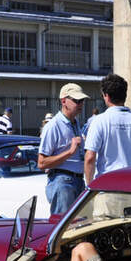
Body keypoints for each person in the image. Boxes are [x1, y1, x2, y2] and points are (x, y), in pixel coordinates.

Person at [84, 73, 131, 185]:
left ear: (106, 96)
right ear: (125, 95)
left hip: (107, 185)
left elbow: (90, 158)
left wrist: (89, 185)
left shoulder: (99, 121)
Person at [38, 83, 90, 215]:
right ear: (63, 101)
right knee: (64, 228)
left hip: (76, 181)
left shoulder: (75, 123)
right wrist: (69, 152)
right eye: (76, 101)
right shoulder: (53, 126)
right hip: (63, 182)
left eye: (82, 101)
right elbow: (41, 163)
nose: (80, 104)